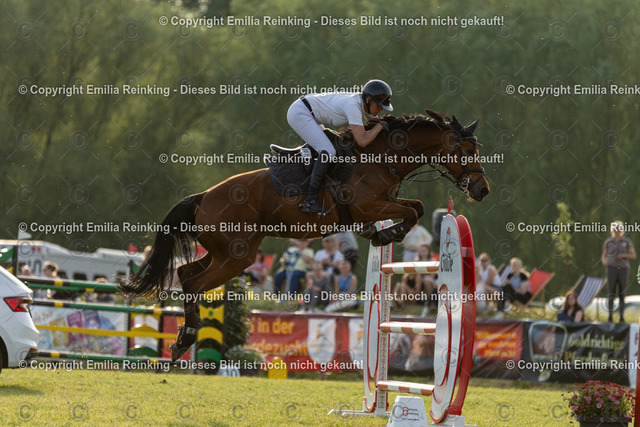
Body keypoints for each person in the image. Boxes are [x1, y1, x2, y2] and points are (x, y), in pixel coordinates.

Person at [288, 79, 393, 216]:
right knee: (328, 152)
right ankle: (310, 200)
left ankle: (319, 182)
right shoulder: (353, 106)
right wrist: (379, 126)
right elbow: (362, 141)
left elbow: (372, 121)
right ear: (368, 100)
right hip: (300, 113)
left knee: (331, 147)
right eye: (379, 105)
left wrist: (385, 123)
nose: (381, 109)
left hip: (307, 112)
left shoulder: (362, 103)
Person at [601, 221, 636, 323]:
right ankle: (610, 316)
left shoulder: (627, 241)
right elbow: (604, 255)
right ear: (612, 230)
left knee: (622, 293)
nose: (617, 231)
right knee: (611, 292)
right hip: (611, 269)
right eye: (615, 229)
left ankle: (621, 317)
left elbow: (633, 255)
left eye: (619, 229)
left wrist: (623, 255)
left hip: (623, 269)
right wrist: (605, 262)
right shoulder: (609, 242)